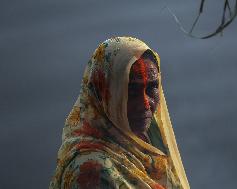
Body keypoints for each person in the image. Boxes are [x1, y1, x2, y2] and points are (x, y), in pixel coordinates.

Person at [49, 36, 190, 189]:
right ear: (103, 93)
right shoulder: (90, 169)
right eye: (131, 91)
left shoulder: (147, 140)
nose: (145, 104)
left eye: (152, 87)